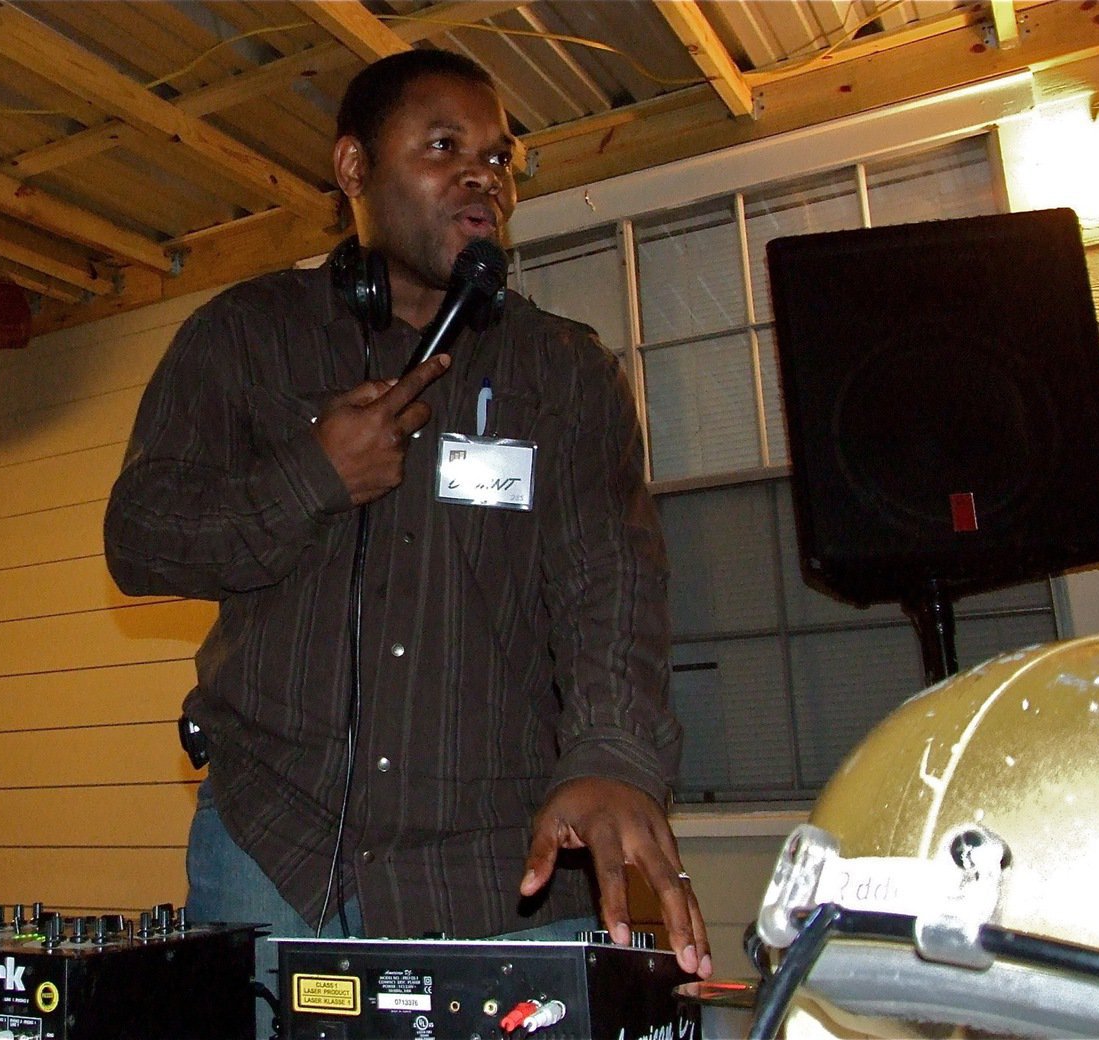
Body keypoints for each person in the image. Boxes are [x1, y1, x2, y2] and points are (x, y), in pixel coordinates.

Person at [103, 47, 712, 1004]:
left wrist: (612, 756)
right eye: (443, 145)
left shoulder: (566, 375)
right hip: (270, 850)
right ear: (354, 171)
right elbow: (140, 536)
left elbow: (613, 591)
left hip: (495, 874)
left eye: (500, 158)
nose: (484, 175)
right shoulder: (243, 337)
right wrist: (313, 477)